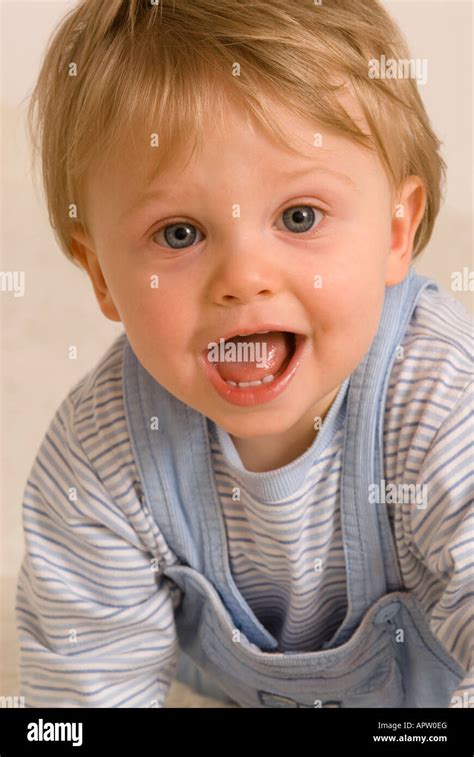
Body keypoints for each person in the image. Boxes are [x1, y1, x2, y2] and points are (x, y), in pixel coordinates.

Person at [16, 0, 472, 707]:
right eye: (178, 233)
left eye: (299, 217)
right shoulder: (102, 456)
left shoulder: (439, 398)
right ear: (101, 275)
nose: (243, 279)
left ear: (393, 232)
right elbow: (81, 694)